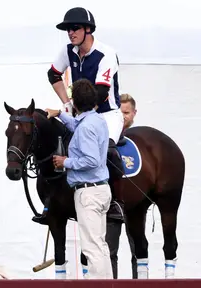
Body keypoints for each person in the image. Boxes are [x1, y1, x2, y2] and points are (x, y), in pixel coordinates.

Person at [32, 6, 125, 224]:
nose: (71, 33)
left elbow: (100, 93)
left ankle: (116, 203)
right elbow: (53, 74)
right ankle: (52, 203)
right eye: (68, 30)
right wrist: (66, 103)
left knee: (108, 152)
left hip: (107, 115)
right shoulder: (68, 51)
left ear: (88, 29)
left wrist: (72, 106)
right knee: (57, 145)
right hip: (80, 115)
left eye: (74, 28)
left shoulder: (106, 54)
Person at [46, 78, 113, 279]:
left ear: (74, 103)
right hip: (101, 189)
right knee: (100, 246)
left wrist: (66, 162)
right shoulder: (97, 120)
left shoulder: (85, 127)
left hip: (88, 193)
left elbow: (91, 159)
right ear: (94, 102)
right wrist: (60, 115)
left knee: (91, 249)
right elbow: (78, 125)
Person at [106, 93, 138, 279]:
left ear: (134, 113)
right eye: (120, 112)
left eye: (127, 112)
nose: (123, 117)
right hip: (109, 206)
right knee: (110, 251)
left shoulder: (138, 139)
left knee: (138, 248)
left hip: (134, 205)